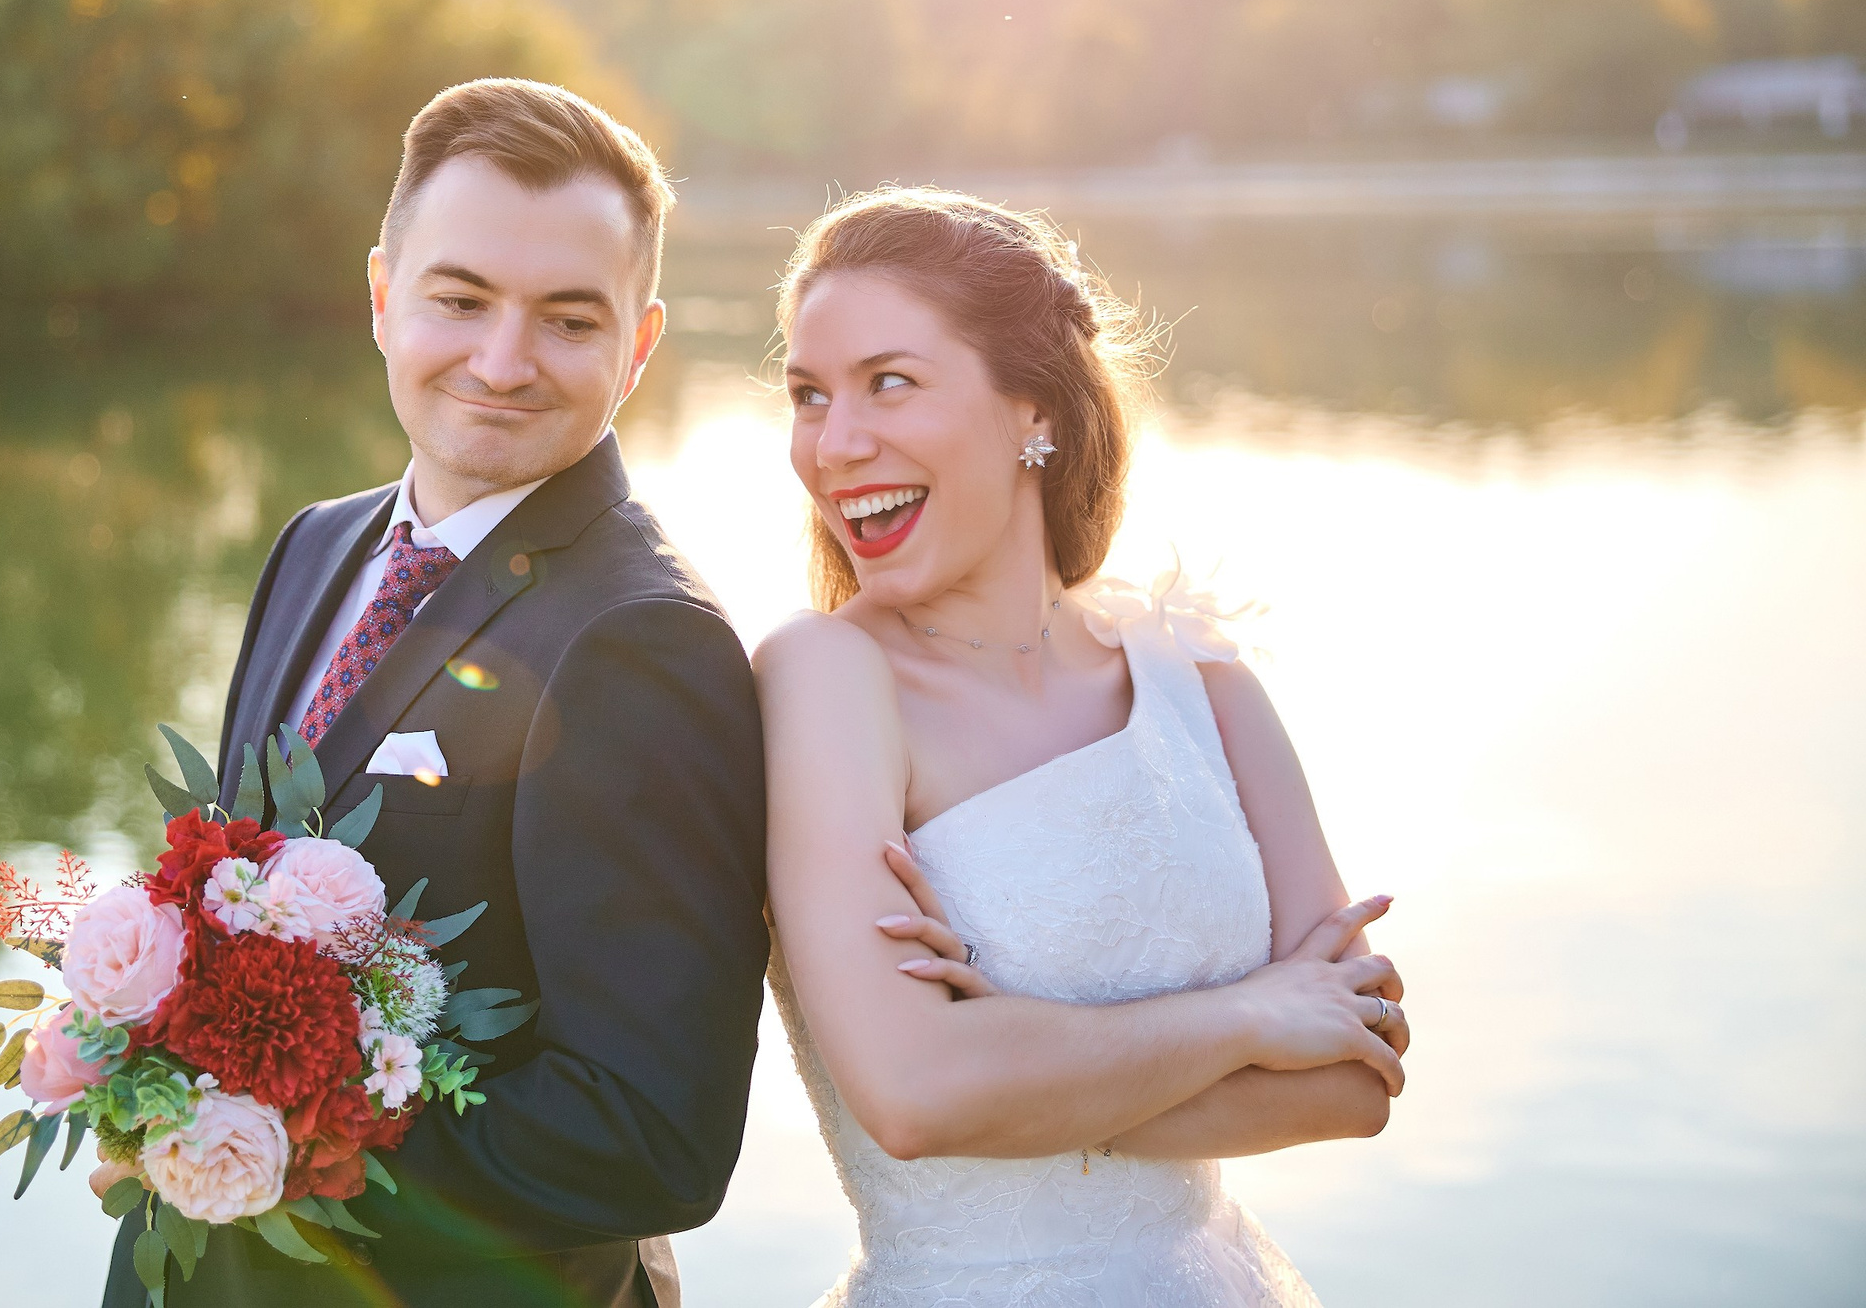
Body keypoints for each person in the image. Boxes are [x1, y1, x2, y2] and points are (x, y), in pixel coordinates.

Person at [97, 79, 767, 1308]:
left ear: (640, 346)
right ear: (380, 297)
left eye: (569, 320)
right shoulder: (318, 543)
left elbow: (651, 1133)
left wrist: (278, 1142)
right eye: (459, 300)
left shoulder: (644, 641)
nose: (501, 362)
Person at [755, 187, 1410, 1306]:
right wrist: (1249, 1018)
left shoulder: (1197, 676)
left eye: (889, 382)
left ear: (1032, 412)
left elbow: (1355, 1081)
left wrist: (1017, 1066)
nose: (836, 443)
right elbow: (915, 1096)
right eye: (810, 396)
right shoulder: (825, 677)